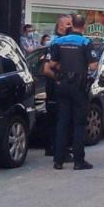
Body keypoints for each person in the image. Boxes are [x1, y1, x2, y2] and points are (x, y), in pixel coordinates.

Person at [46, 14, 99, 170]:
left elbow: (52, 63)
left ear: (71, 25)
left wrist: (63, 69)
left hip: (62, 84)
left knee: (62, 121)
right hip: (78, 85)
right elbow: (94, 65)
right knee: (79, 123)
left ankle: (58, 160)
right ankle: (78, 161)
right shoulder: (85, 42)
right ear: (84, 26)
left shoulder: (58, 41)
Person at [43, 13, 75, 159]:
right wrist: (59, 79)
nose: (71, 26)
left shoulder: (64, 41)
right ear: (61, 26)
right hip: (56, 85)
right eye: (69, 24)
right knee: (58, 118)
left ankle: (56, 147)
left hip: (62, 84)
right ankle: (57, 149)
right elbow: (47, 68)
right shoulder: (56, 43)